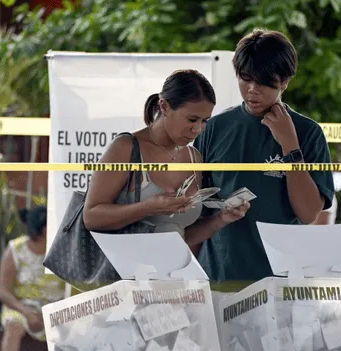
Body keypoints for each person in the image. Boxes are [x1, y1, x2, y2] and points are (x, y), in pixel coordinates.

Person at [192, 29, 335, 288]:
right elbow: (194, 210)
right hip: (217, 277)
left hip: (280, 282)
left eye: (264, 82)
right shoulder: (214, 128)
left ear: (284, 82)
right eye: (245, 79)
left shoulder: (308, 133)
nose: (252, 90)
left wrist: (290, 146)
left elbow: (308, 213)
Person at [83, 69, 250, 246]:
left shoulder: (193, 157)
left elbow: (180, 237)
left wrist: (221, 219)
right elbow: (91, 217)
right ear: (164, 106)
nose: (198, 129)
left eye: (204, 121)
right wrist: (147, 208)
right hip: (125, 271)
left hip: (173, 272)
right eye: (192, 119)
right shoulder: (126, 147)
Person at [0, 206, 65, 351]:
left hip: (55, 308)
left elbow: (74, 287)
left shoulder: (62, 249)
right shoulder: (16, 250)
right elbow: (3, 291)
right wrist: (27, 312)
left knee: (75, 329)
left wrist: (52, 313)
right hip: (21, 306)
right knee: (13, 325)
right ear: (44, 230)